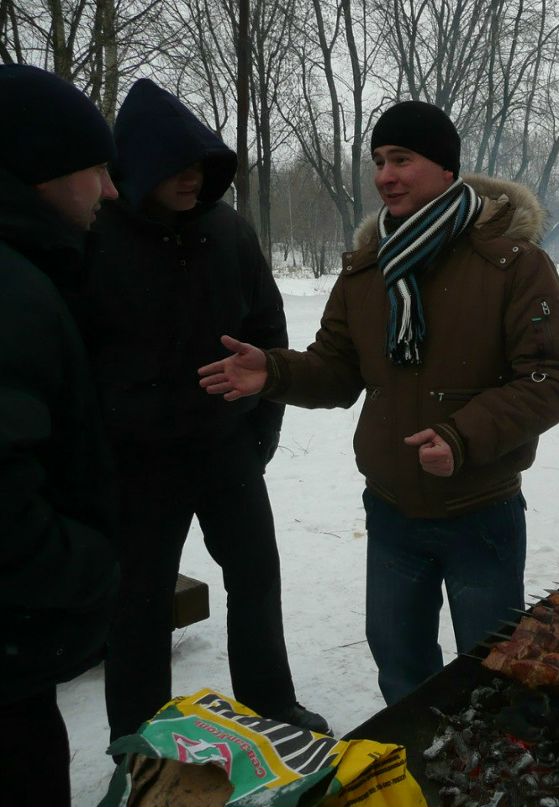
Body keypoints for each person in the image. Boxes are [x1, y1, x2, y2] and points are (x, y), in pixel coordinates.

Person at [198, 100, 559, 705]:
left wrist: (461, 437)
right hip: (391, 512)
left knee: (491, 673)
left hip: (480, 512)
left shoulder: (512, 263)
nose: (385, 175)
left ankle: (487, 761)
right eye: (379, 161)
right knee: (401, 668)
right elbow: (337, 370)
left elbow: (553, 376)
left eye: (402, 159)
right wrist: (273, 371)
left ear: (446, 168)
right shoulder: (367, 271)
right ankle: (415, 760)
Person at [83, 78, 328, 740]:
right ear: (141, 165)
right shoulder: (97, 236)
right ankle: (139, 739)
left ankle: (272, 705)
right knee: (139, 604)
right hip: (137, 464)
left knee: (256, 578)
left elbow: (269, 332)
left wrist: (260, 435)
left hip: (225, 449)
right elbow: (73, 359)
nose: (192, 177)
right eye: (177, 166)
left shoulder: (228, 231)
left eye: (200, 165)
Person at [0, 64, 121, 807]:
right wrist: (94, 564)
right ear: (42, 169)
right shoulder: (11, 291)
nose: (111, 190)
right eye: (95, 169)